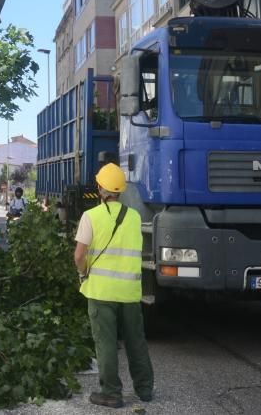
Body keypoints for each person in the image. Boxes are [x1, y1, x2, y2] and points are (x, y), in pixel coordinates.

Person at [74, 163, 154, 408]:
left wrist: (83, 272)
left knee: (106, 343)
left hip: (101, 292)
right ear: (119, 190)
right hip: (129, 292)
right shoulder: (134, 217)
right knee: (136, 341)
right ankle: (145, 390)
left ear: (100, 188)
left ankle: (111, 392)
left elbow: (79, 255)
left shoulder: (91, 216)